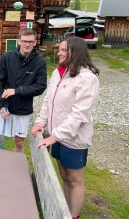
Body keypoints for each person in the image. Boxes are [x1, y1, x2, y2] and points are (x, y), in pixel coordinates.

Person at [31, 37, 100, 219]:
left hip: (74, 138)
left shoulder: (87, 79)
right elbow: (49, 101)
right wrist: (40, 122)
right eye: (59, 49)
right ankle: (66, 211)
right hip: (57, 135)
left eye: (63, 50)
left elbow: (79, 115)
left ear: (75, 52)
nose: (58, 53)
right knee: (64, 173)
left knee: (75, 179)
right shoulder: (59, 73)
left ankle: (73, 215)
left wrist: (55, 136)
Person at [0, 28, 47, 152]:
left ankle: (15, 168)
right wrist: (1, 104)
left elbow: (40, 86)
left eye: (30, 42)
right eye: (24, 41)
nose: (27, 44)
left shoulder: (40, 62)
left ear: (35, 42)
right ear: (19, 41)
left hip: (23, 107)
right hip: (4, 106)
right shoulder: (6, 58)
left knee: (19, 142)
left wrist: (17, 90)